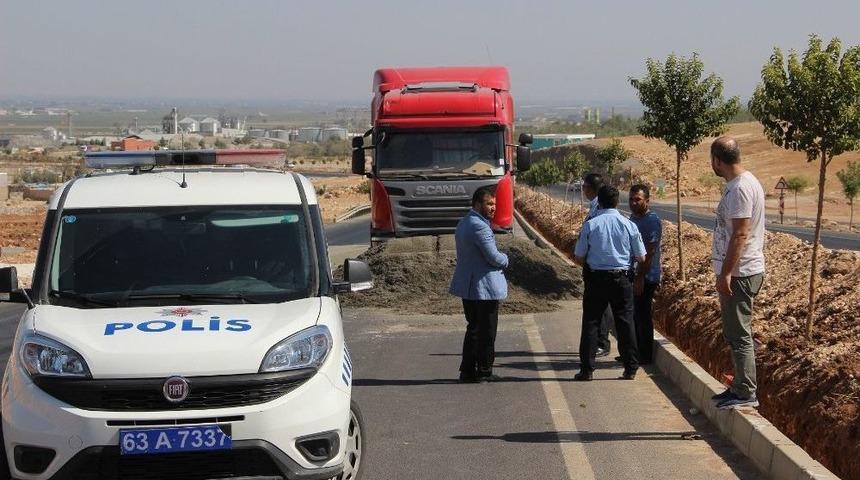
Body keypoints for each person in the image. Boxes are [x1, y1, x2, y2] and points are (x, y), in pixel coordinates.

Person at [708, 136, 766, 409]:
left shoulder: (741, 188)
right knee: (734, 332)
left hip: (740, 272)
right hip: (739, 270)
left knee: (739, 334)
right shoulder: (741, 184)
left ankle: (745, 392)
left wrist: (726, 273)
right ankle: (740, 385)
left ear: (717, 160)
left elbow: (740, 234)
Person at [572, 185, 645, 381]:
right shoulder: (629, 225)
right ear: (617, 202)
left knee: (591, 322)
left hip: (596, 279)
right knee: (625, 322)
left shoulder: (590, 225)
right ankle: (630, 368)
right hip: (621, 279)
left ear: (600, 202)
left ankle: (587, 370)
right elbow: (641, 256)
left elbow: (579, 256)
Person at [449, 186, 509, 383]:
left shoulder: (464, 222)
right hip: (484, 288)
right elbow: (493, 257)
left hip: (469, 285)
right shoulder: (480, 226)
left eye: (494, 204)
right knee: (486, 331)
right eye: (489, 204)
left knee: (473, 328)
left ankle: (467, 370)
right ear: (477, 204)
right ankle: (484, 370)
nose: (493, 208)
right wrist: (506, 259)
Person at [628, 184, 662, 365]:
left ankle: (645, 355)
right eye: (631, 199)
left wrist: (640, 277)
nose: (634, 203)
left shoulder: (651, 221)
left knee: (642, 315)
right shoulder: (633, 218)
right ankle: (634, 351)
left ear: (647, 201)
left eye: (638, 199)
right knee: (634, 314)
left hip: (647, 275)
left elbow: (649, 252)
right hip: (635, 273)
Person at [581, 173, 612, 357]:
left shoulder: (597, 208)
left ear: (591, 189)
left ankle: (602, 342)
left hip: (598, 265)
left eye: (584, 187)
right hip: (597, 263)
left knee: (601, 307)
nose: (583, 190)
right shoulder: (596, 206)